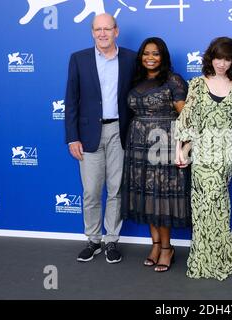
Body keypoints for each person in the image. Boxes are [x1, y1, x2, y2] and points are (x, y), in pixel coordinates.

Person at [65, 13, 136, 264]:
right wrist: (72, 137)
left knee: (116, 189)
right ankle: (93, 239)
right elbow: (71, 101)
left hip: (120, 131)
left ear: (116, 31)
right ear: (92, 32)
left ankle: (111, 241)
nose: (102, 33)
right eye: (98, 29)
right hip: (88, 134)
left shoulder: (130, 58)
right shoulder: (79, 59)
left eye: (107, 29)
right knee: (91, 191)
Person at [175, 37, 232, 281]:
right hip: (202, 152)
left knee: (217, 203)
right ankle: (205, 259)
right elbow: (189, 119)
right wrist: (181, 149)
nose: (222, 64)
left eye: (227, 59)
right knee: (203, 205)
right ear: (210, 58)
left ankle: (220, 258)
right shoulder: (196, 84)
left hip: (225, 152)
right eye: (218, 58)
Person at [120, 37, 191, 272]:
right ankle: (156, 245)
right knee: (147, 196)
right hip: (138, 144)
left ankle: (167, 248)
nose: (150, 57)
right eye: (146, 53)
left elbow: (187, 119)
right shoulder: (136, 80)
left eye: (156, 53)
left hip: (164, 145)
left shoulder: (174, 81)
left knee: (161, 199)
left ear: (164, 57)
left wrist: (184, 148)